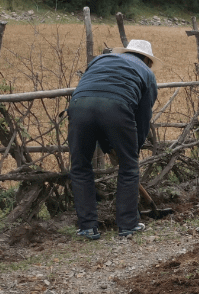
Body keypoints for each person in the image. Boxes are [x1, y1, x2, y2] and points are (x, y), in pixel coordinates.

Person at [67, 39, 159, 239]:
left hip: (79, 104)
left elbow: (94, 92)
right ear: (146, 59)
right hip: (117, 106)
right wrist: (131, 150)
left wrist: (109, 144)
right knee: (128, 167)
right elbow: (143, 118)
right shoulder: (146, 73)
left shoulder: (100, 60)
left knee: (80, 166)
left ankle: (87, 227)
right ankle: (127, 225)